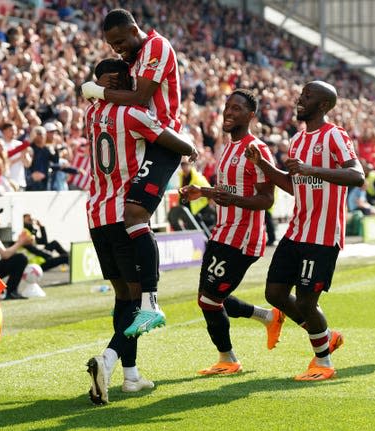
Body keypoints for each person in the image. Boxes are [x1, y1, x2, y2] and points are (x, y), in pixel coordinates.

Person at [84, 58, 196, 405]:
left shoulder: (90, 114)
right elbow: (173, 142)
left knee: (122, 297)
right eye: (115, 82)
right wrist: (189, 143)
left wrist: (99, 89)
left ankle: (131, 377)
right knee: (136, 300)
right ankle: (109, 359)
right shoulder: (131, 115)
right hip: (122, 214)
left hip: (96, 215)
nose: (120, 85)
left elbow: (100, 99)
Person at [82, 8, 196, 338]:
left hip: (163, 140)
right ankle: (143, 312)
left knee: (133, 213)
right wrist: (94, 87)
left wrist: (97, 91)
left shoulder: (156, 47)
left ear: (135, 29)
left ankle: (150, 302)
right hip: (146, 140)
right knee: (131, 217)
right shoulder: (132, 57)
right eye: (111, 44)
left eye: (120, 41)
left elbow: (140, 96)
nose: (117, 48)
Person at [245, 81, 364, 381]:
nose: (300, 99)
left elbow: (357, 175)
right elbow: (293, 185)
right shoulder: (298, 140)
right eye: (301, 94)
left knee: (307, 301)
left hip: (322, 236)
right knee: (274, 293)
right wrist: (264, 165)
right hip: (297, 230)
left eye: (308, 96)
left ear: (323, 105)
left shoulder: (335, 135)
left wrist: (313, 170)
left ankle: (323, 362)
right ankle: (326, 337)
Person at [180, 89, 284, 375]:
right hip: (222, 232)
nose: (229, 112)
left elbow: (267, 200)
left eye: (237, 109)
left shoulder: (257, 150)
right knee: (209, 296)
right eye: (227, 107)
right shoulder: (228, 148)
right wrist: (202, 191)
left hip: (243, 239)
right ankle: (267, 316)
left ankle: (228, 359)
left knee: (209, 299)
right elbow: (228, 191)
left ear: (250, 116)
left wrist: (232, 200)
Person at [0, 207, 31, 300]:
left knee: (20, 258)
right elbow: (5, 255)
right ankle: (10, 291)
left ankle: (9, 291)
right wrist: (20, 242)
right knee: (21, 258)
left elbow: (5, 254)